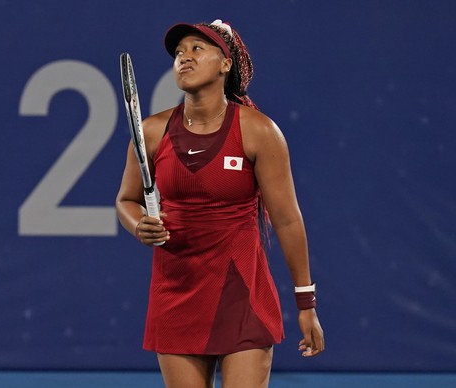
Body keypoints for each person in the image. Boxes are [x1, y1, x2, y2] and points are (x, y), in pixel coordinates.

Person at [116, 19, 324, 388]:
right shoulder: (150, 132)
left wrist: (305, 303)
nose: (184, 58)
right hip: (176, 295)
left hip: (243, 295)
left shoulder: (259, 131)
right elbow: (126, 200)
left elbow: (288, 220)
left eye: (197, 49)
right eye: (179, 53)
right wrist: (137, 225)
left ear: (225, 64)